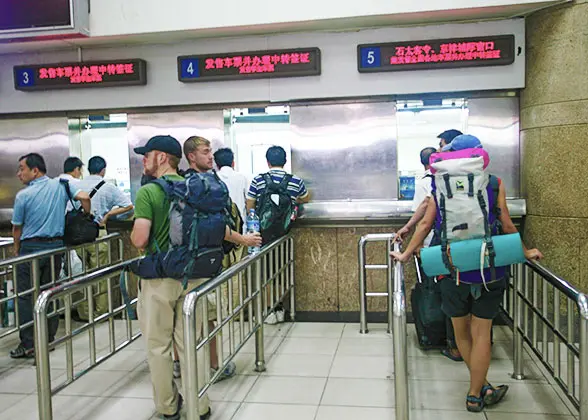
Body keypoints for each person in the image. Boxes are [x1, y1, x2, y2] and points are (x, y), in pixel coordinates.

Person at [390, 135, 543, 412]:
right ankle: (475, 393)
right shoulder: (494, 183)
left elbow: (425, 224)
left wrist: (405, 254)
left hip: (451, 269)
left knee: (461, 333)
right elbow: (507, 224)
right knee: (482, 333)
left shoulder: (441, 183)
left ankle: (481, 386)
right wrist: (525, 251)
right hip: (490, 266)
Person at [132, 135, 211, 420]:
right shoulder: (196, 187)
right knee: (193, 342)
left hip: (159, 278)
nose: (144, 160)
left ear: (162, 158)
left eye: (147, 155)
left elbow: (140, 239)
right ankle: (199, 406)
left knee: (159, 346)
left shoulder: (148, 192)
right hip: (194, 277)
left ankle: (168, 406)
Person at [178, 136, 260, 381]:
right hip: (202, 259)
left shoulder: (188, 182)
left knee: (186, 316)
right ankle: (213, 366)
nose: (210, 155)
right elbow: (214, 224)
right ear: (191, 156)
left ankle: (182, 364)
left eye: (211, 151)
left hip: (192, 258)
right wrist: (243, 240)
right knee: (207, 313)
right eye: (205, 152)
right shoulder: (200, 184)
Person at [10, 153, 91, 359]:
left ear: (35, 170)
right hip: (55, 247)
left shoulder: (23, 196)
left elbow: (17, 229)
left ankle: (29, 344)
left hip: (31, 249)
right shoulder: (61, 185)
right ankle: (48, 339)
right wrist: (86, 215)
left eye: (22, 169)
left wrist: (17, 250)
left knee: (26, 297)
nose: (19, 173)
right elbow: (85, 197)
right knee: (50, 293)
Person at [396, 146, 462, 361]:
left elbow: (425, 218)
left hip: (439, 247)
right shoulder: (488, 183)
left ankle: (450, 342)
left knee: (442, 292)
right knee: (467, 301)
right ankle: (469, 345)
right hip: (476, 251)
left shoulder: (433, 182)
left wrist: (412, 246)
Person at [246, 145, 309, 324]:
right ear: (285, 161)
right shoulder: (295, 180)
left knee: (265, 272)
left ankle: (268, 310)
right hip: (284, 233)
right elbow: (305, 198)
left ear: (267, 162)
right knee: (280, 270)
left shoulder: (258, 180)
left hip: (262, 235)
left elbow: (250, 205)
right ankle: (279, 307)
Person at [74, 156, 134, 321]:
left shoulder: (76, 185)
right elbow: (128, 206)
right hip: (97, 234)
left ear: (88, 169)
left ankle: (85, 314)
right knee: (101, 275)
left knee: (80, 275)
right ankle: (102, 313)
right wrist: (108, 214)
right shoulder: (108, 187)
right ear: (103, 170)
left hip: (77, 236)